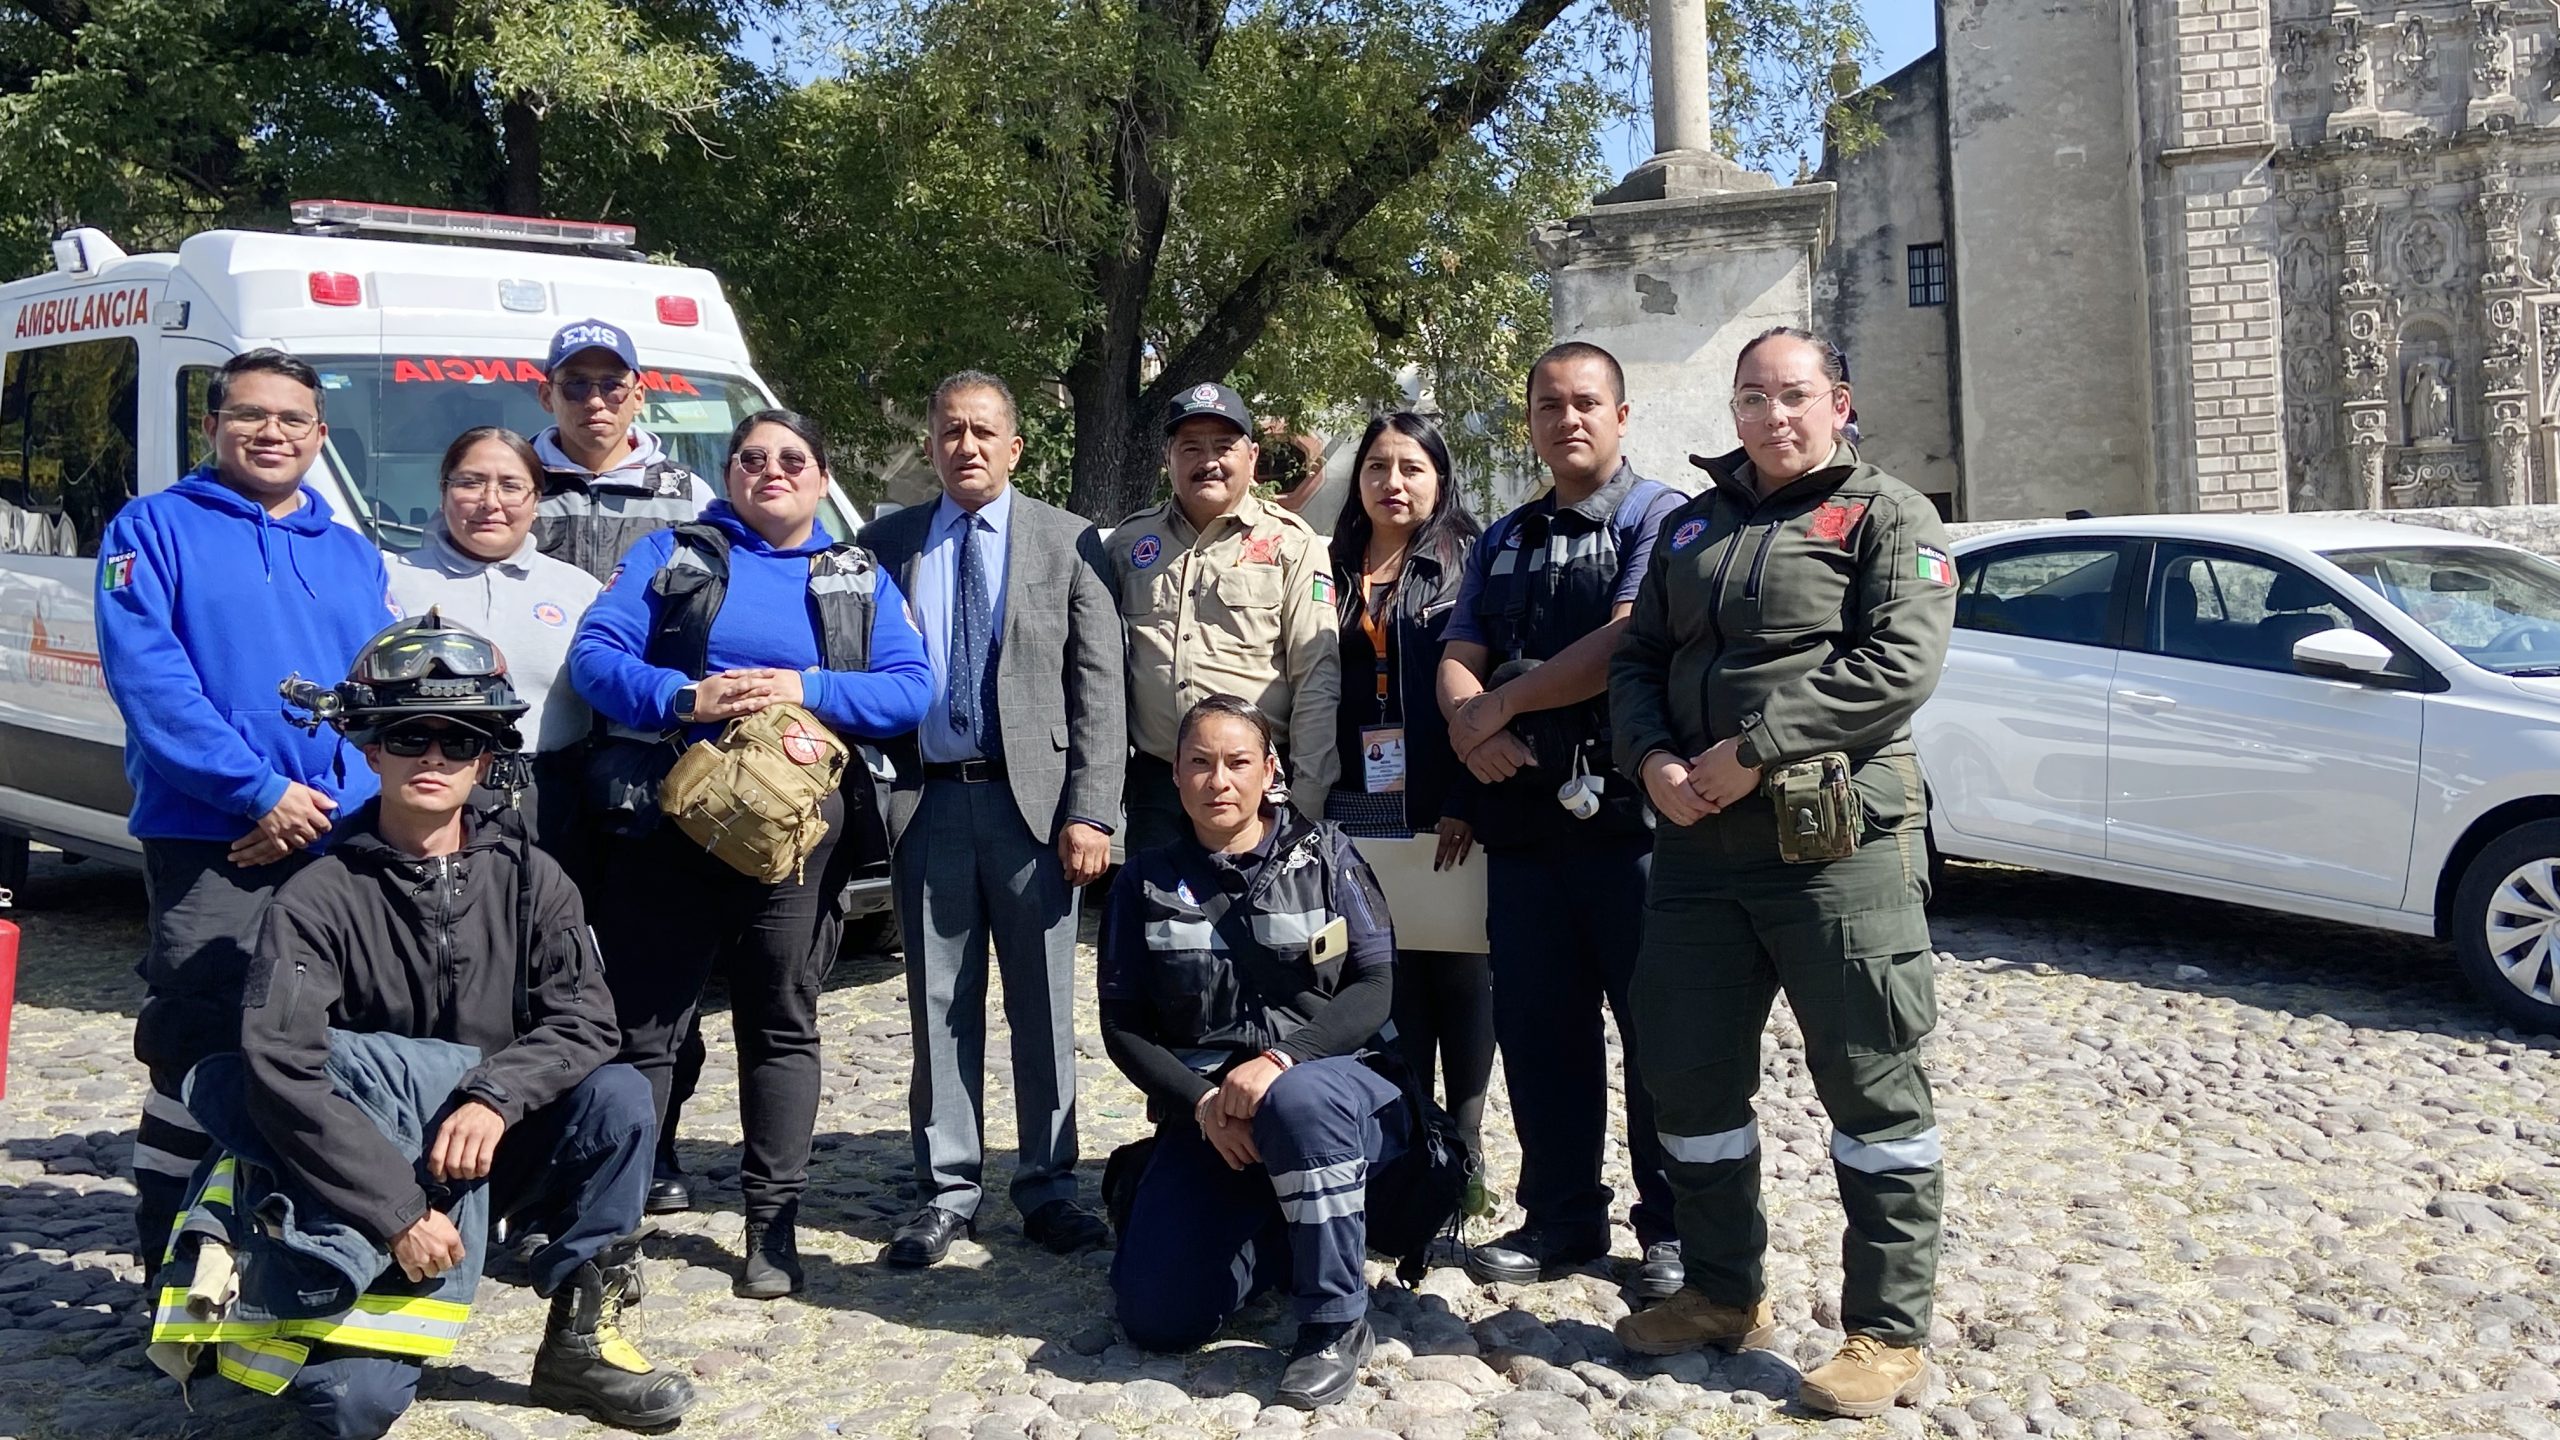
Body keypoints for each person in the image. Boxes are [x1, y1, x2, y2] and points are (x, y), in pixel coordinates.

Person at [154, 614, 693, 1437]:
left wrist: (494, 1097)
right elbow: (282, 1069)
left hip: (486, 1146)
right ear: (371, 749)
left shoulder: (535, 880)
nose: (433, 757)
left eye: (459, 739)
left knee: (618, 1099)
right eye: (409, 736)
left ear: (487, 756)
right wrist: (398, 1211)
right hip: (358, 1168)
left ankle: (582, 1343)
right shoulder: (314, 899)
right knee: (350, 1409)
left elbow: (586, 1020)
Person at [1608, 326, 1955, 1419]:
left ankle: (1887, 1331)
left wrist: (1752, 749)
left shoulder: (1889, 515)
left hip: (1834, 848)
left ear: (1838, 402)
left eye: (1795, 394)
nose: (1773, 415)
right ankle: (1722, 1291)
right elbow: (1637, 659)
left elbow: (1898, 665)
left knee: (1870, 1080)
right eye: (1753, 397)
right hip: (1698, 850)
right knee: (1688, 1076)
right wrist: (1652, 760)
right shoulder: (1693, 525)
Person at [573, 408, 931, 1299]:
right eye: (751, 458)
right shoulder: (673, 555)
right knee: (644, 1028)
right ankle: (612, 1224)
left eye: (792, 459)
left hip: (795, 840)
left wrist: (805, 687)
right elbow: (594, 656)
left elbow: (910, 689)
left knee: (779, 1019)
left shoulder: (856, 575)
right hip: (671, 826)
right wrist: (683, 696)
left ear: (821, 478)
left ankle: (772, 1223)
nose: (771, 471)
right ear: (730, 473)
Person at [96, 348, 397, 1281]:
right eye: (250, 415)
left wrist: (330, 805)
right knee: (203, 1042)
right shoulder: (152, 529)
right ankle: (171, 1255)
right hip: (210, 835)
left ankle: (286, 1244)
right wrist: (260, 794)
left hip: (335, 833)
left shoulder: (350, 551)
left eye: (292, 419)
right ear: (212, 425)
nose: (272, 432)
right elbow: (153, 685)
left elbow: (373, 700)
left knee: (321, 1037)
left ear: (318, 434)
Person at [1436, 341, 1686, 1298]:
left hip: (1629, 821)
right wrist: (1471, 732)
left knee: (1657, 1031)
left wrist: (1497, 707)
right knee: (1540, 1030)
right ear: (1531, 422)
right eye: (1549, 405)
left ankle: (1672, 1227)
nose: (1567, 418)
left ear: (1621, 416)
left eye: (1586, 403)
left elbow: (1624, 640)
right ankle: (1561, 1218)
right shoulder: (1502, 536)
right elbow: (1460, 651)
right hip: (1524, 824)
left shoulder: (1659, 517)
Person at [857, 372, 1124, 1267]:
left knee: (1043, 1006)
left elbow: (1099, 688)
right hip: (928, 800)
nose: (965, 446)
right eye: (949, 431)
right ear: (930, 445)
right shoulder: (886, 545)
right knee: (938, 1003)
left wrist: (1093, 811)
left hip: (1036, 810)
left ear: (1015, 446)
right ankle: (947, 1189)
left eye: (982, 431)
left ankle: (1048, 1185)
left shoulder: (1069, 540)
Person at [1099, 695, 1411, 1410]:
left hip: (1332, 1095)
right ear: (1174, 774)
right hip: (1216, 1121)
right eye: (1200, 763)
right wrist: (1202, 1102)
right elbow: (1124, 1027)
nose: (1219, 781)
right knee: (1158, 1319)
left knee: (1296, 1100)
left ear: (1270, 771)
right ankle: (1280, 1231)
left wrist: (1281, 1060)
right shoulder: (1141, 882)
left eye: (1238, 762)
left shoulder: (1330, 855)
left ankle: (1335, 1321)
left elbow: (1377, 987)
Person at [1323, 412, 1493, 1213]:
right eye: (1377, 467)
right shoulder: (1330, 563)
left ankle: (1466, 1146)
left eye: (1411, 468)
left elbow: (1489, 683)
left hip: (1442, 792)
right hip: (1356, 793)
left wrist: (1468, 795)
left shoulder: (1470, 559)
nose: (1393, 482)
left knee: (1458, 967)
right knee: (1384, 969)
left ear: (1440, 479)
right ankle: (1408, 1139)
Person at [1105, 381, 1341, 853]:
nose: (1207, 461)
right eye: (1191, 447)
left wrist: (1308, 796)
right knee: (1157, 903)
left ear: (1252, 458)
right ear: (1168, 457)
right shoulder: (1128, 545)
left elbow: (1317, 675)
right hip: (1159, 786)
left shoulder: (1293, 545)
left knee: (1257, 904)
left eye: (1223, 446)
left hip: (1258, 787)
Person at [386, 427, 602, 851]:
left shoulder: (580, 591)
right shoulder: (391, 579)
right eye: (470, 482)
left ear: (536, 501)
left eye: (511, 486)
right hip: (421, 795)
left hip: (549, 803)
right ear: (443, 492)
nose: (490, 502)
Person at [530, 318, 719, 581]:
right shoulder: (513, 484)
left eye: (613, 386)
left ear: (638, 397)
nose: (595, 401)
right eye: (576, 385)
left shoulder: (689, 495)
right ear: (546, 396)